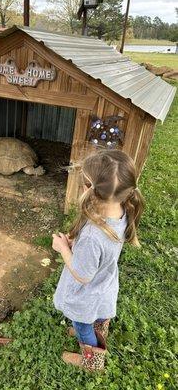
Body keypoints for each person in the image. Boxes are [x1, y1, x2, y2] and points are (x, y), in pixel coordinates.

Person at [52, 149, 144, 371]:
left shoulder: (94, 235)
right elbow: (98, 253)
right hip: (105, 283)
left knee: (82, 324)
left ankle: (92, 360)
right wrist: (78, 243)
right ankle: (97, 327)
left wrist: (63, 248)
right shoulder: (123, 209)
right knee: (94, 314)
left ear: (88, 189)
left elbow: (82, 275)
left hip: (87, 294)